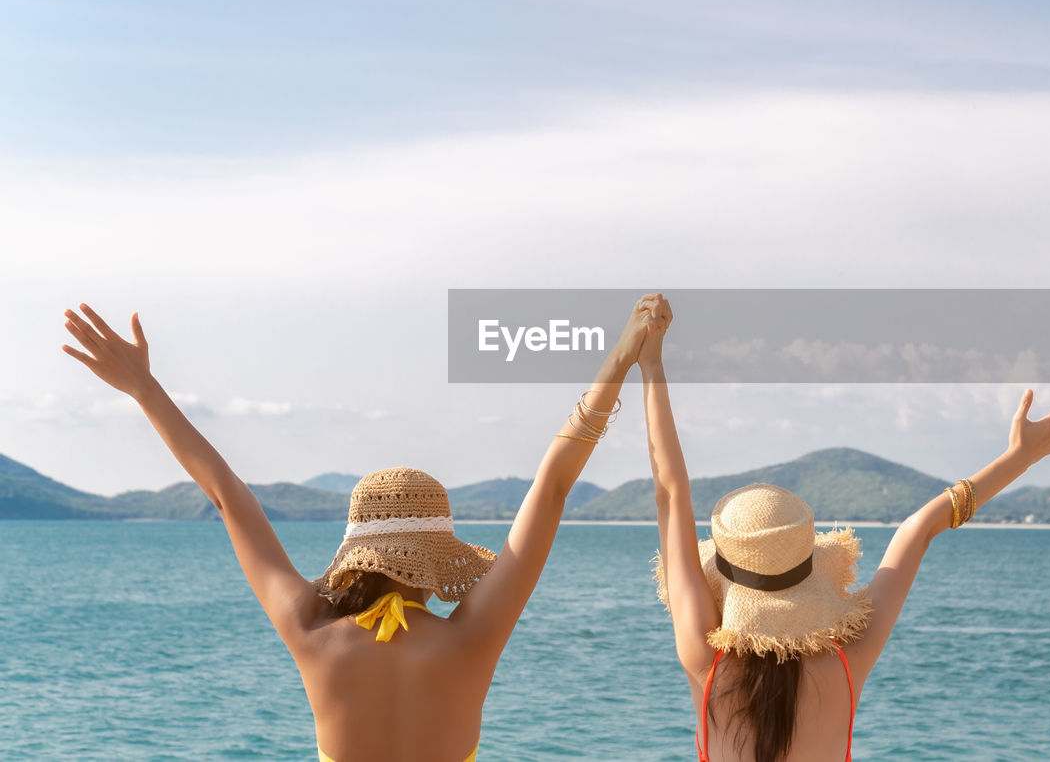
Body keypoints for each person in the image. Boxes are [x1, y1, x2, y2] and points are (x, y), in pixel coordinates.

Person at [61, 295, 660, 762]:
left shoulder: (311, 631)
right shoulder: (470, 642)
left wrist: (142, 386)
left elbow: (226, 496)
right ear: (435, 561)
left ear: (357, 553)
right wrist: (623, 355)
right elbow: (551, 489)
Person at [638, 295, 1050, 762]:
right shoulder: (847, 661)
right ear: (805, 575)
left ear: (729, 585)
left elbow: (670, 494)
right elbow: (919, 528)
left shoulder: (707, 663)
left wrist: (651, 365)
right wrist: (1019, 458)